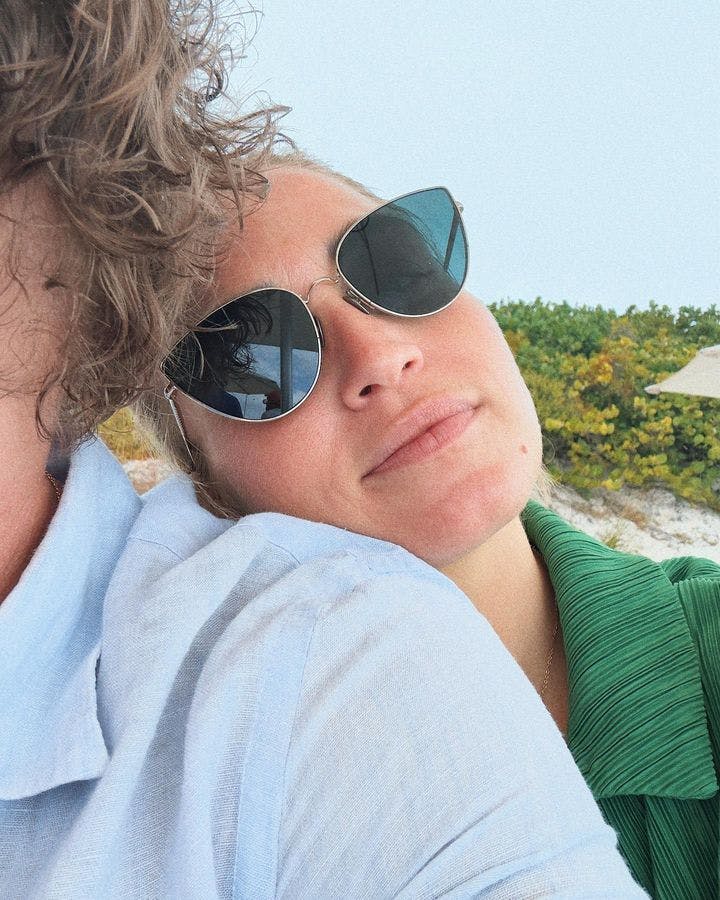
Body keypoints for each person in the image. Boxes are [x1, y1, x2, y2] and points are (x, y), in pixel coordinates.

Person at [143, 150, 720, 900]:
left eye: (394, 266)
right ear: (203, 478)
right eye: (252, 354)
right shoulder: (194, 807)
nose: (381, 356)